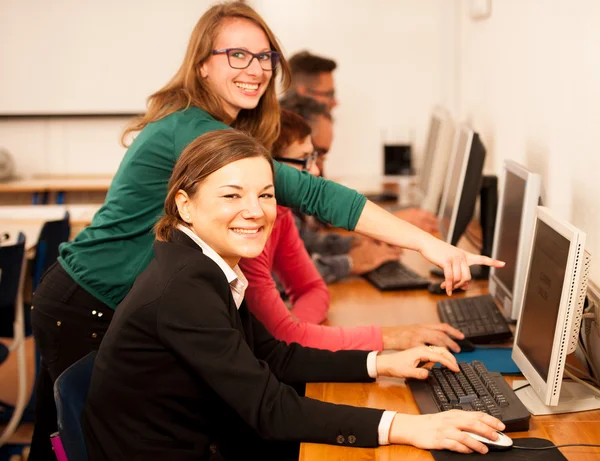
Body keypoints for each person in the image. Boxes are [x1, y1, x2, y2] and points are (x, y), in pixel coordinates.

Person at [29, 3, 502, 458]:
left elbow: (271, 354)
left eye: (265, 56)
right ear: (201, 67)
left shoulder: (210, 266)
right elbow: (314, 194)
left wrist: (378, 360)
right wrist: (427, 244)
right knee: (82, 438)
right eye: (236, 54)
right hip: (86, 301)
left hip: (139, 302)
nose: (255, 68)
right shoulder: (193, 137)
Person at [83, 129, 506, 460]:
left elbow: (275, 355)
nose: (255, 210)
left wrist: (382, 362)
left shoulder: (201, 264)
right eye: (232, 195)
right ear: (185, 204)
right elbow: (270, 409)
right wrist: (408, 427)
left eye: (265, 195)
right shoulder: (184, 287)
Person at [240, 110, 465, 352]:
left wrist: (295, 330)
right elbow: (284, 337)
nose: (315, 172)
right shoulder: (248, 233)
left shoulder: (281, 216)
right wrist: (391, 337)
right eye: (304, 160)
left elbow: (312, 290)